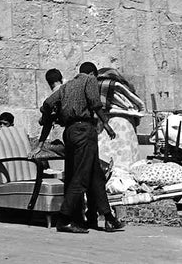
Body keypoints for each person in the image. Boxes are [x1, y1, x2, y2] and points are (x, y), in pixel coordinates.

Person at [34, 61, 124, 234]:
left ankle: (109, 218)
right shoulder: (89, 80)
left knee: (95, 176)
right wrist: (106, 124)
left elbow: (47, 104)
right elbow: (95, 102)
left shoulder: (66, 87)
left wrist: (47, 119)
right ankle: (64, 219)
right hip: (84, 130)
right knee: (81, 177)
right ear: (92, 73)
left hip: (70, 132)